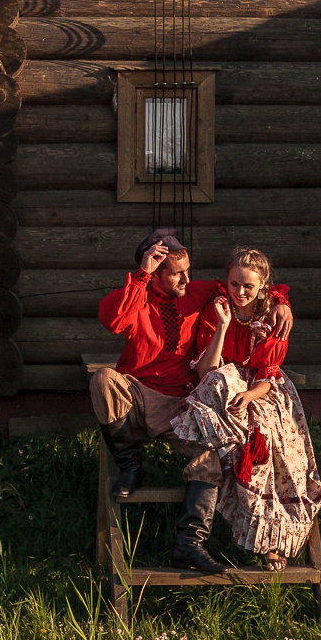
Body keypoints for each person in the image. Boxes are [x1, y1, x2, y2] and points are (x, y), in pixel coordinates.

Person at [173, 247, 321, 572]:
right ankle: (228, 447)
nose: (240, 293)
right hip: (222, 384)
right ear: (225, 281)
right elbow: (207, 372)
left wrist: (249, 395)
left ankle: (272, 539)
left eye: (248, 287)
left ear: (262, 286)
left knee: (270, 442)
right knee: (218, 382)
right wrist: (223, 326)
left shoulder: (272, 316)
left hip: (262, 388)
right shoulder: (217, 310)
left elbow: (269, 378)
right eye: (234, 284)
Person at [90, 228, 226, 572]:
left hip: (180, 403)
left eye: (187, 270)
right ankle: (131, 467)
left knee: (209, 455)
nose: (186, 278)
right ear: (156, 274)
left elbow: (244, 289)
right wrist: (141, 276)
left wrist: (282, 303)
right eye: (177, 273)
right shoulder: (137, 295)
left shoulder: (196, 292)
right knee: (103, 379)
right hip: (138, 394)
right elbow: (115, 319)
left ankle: (189, 544)